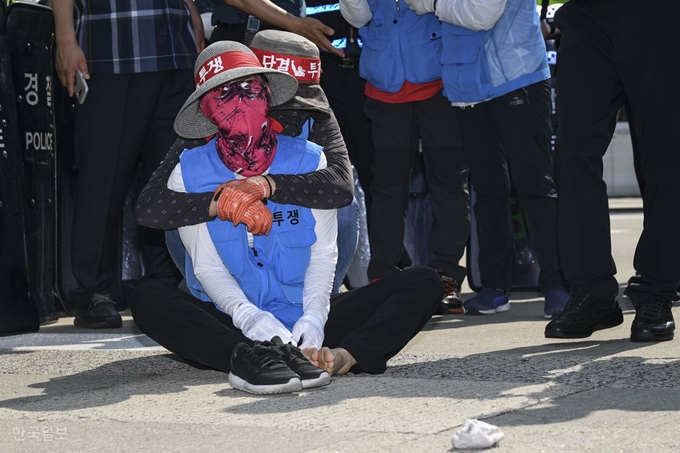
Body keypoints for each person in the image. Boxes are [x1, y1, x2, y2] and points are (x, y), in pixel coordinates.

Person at [131, 40, 444, 394]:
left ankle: (344, 357)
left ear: (267, 93)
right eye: (225, 96)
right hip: (236, 318)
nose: (240, 105)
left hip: (303, 311)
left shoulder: (310, 157)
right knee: (148, 297)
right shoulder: (190, 168)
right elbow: (204, 264)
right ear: (206, 111)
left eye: (250, 90)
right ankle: (249, 358)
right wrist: (253, 320)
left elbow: (324, 252)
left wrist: (314, 319)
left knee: (425, 282)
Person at [135, 30, 356, 294]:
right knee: (180, 199)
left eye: (298, 100)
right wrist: (222, 203)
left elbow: (342, 186)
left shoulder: (317, 115)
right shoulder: (219, 112)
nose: (288, 109)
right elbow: (151, 205)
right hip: (228, 243)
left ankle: (326, 294)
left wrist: (266, 186)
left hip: (293, 243)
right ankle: (209, 292)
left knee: (344, 208)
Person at [404, 0, 570, 318]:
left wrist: (434, 3)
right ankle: (494, 287)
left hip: (518, 76)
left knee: (534, 185)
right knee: (488, 189)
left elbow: (482, 13)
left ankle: (557, 284)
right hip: (466, 87)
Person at [53, 0, 205, 328]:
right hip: (108, 47)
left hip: (174, 47)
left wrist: (191, 9)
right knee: (101, 177)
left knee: (173, 178)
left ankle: (167, 284)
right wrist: (65, 38)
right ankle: (93, 292)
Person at [544, 0, 677, 342]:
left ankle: (656, 291)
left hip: (662, 16)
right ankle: (593, 293)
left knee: (664, 159)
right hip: (587, 17)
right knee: (574, 154)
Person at [339, 0, 470, 314]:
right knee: (386, 186)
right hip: (384, 88)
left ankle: (446, 276)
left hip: (440, 84)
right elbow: (357, 17)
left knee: (449, 182)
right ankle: (382, 276)